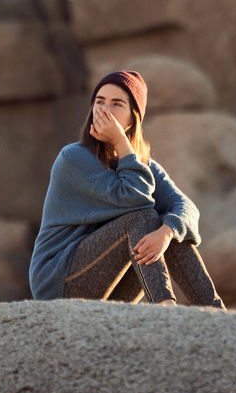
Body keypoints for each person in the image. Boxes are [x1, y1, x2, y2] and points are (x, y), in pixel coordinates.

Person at [29, 69, 226, 308]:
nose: (104, 110)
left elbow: (187, 208)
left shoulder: (143, 166)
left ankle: (213, 310)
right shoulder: (74, 158)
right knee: (143, 216)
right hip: (59, 278)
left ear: (133, 118)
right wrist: (122, 141)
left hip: (111, 283)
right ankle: (164, 306)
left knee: (170, 223)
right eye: (99, 102)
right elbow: (134, 199)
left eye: (116, 104)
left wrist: (166, 234)